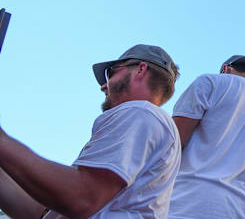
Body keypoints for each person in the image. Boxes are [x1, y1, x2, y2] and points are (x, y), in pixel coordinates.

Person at [0, 44, 181, 219]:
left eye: (110, 73)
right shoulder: (145, 121)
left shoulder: (141, 113)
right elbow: (42, 214)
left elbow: (82, 199)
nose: (103, 86)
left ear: (140, 69)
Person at [168, 55, 245, 219]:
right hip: (240, 210)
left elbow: (172, 145)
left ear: (225, 69)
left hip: (186, 203)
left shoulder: (210, 83)